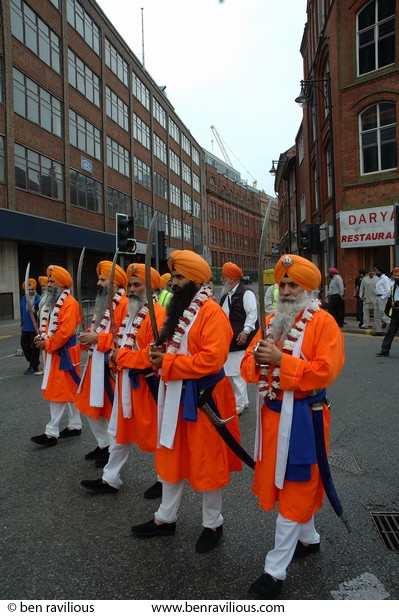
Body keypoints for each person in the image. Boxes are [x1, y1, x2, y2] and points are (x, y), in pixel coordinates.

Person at [241, 254, 344, 600]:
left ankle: (274, 571)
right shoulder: (270, 321)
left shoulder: (324, 323)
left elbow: (324, 372)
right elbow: (247, 368)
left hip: (304, 417)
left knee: (296, 485)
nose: (284, 290)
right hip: (271, 420)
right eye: (282, 284)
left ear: (308, 289)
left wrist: (282, 361)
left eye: (292, 285)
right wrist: (257, 358)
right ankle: (309, 539)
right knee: (286, 485)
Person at [131, 250, 242, 553]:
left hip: (206, 399)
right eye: (173, 277)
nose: (173, 283)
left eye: (179, 278)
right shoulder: (180, 311)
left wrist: (167, 362)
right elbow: (173, 348)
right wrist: (158, 356)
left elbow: (211, 360)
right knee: (171, 454)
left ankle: (213, 523)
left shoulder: (211, 312)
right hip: (177, 394)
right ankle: (165, 518)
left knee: (207, 462)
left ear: (196, 280)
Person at [80, 263, 166, 496]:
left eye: (137, 285)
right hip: (124, 381)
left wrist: (124, 357)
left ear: (150, 289)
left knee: (155, 433)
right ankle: (110, 478)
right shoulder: (132, 310)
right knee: (119, 432)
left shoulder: (157, 314)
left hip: (146, 385)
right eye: (130, 285)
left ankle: (164, 480)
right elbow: (120, 343)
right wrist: (114, 359)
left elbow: (154, 354)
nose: (131, 289)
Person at [76, 261, 128, 469]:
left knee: (110, 412)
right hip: (93, 364)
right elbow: (95, 328)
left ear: (115, 284)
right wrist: (86, 337)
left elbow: (124, 340)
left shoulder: (124, 304)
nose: (98, 283)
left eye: (103, 279)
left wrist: (98, 339)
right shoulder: (102, 303)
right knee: (89, 407)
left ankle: (112, 450)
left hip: (110, 368)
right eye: (98, 278)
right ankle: (103, 443)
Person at [31, 265, 82, 448]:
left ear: (61, 284)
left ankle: (51, 432)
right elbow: (48, 326)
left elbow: (65, 332)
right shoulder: (52, 302)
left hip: (64, 353)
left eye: (52, 281)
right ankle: (75, 425)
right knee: (68, 391)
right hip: (55, 352)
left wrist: (48, 344)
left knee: (58, 392)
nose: (48, 285)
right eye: (49, 281)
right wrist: (42, 337)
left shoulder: (70, 303)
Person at [219, 261, 258, 415]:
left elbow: (252, 313)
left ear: (233, 279)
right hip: (229, 339)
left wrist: (245, 331)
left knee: (236, 373)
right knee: (233, 371)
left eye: (224, 277)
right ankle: (244, 401)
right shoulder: (227, 294)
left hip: (240, 338)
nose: (221, 280)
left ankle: (239, 405)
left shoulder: (246, 293)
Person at [20, 277, 41, 375]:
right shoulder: (24, 299)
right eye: (29, 290)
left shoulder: (39, 299)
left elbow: (42, 313)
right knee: (24, 345)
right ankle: (33, 361)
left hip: (35, 328)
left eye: (32, 289)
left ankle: (34, 366)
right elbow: (22, 312)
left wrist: (35, 310)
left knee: (35, 347)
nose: (31, 291)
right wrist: (21, 324)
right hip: (26, 328)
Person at [376, 267, 399, 357]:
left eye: (398, 276)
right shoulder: (394, 287)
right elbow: (390, 298)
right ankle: (385, 350)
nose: (396, 277)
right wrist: (392, 304)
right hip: (395, 312)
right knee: (390, 332)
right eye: (395, 275)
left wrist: (396, 303)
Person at [35, 276, 49, 376]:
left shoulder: (51, 298)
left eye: (44, 286)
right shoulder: (44, 299)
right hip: (43, 329)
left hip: (49, 330)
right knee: (44, 352)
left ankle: (48, 369)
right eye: (41, 286)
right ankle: (45, 369)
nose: (42, 288)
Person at [372, 264, 391, 336]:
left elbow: (388, 290)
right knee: (376, 315)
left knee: (381, 314)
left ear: (379, 271)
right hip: (377, 297)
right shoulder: (380, 279)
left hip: (382, 298)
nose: (375, 272)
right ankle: (378, 330)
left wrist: (382, 297)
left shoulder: (385, 278)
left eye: (376, 270)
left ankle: (392, 324)